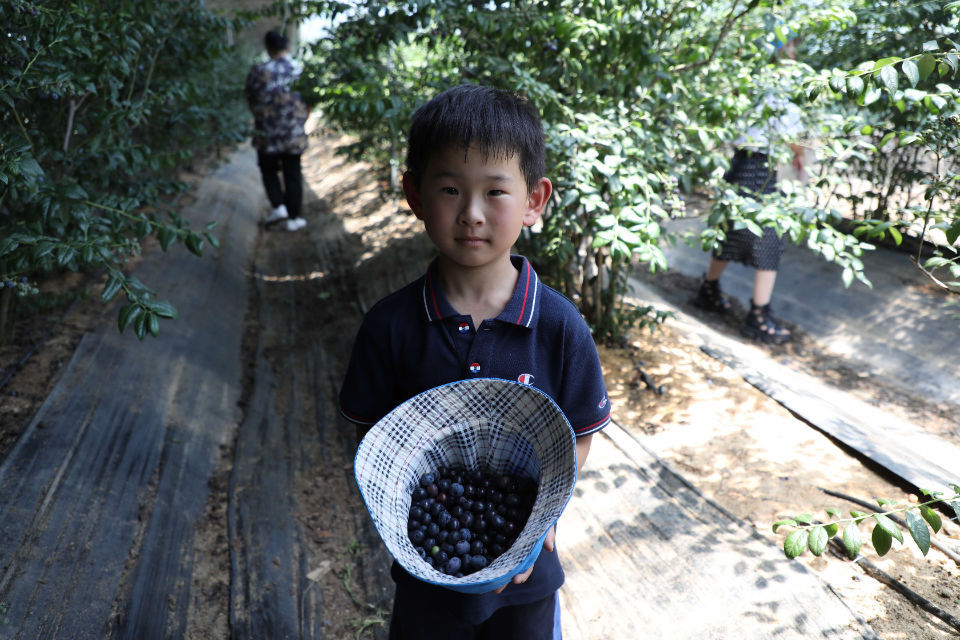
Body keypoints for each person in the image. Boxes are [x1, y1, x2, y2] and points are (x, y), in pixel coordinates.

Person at [338, 84, 611, 640]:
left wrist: (543, 519)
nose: (471, 214)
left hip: (526, 577)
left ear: (535, 200)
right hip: (427, 580)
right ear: (413, 194)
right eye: (448, 189)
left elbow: (578, 431)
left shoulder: (558, 326)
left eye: (495, 191)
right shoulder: (391, 327)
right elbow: (375, 436)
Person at [693, 36, 805, 344]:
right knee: (770, 237)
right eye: (791, 49)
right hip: (760, 170)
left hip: (739, 165)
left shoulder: (748, 88)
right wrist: (799, 153)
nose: (794, 54)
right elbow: (793, 137)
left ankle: (708, 290)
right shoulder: (780, 96)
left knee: (730, 232)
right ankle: (758, 315)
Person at [244, 30, 309, 232]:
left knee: (268, 169)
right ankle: (294, 218)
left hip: (267, 133)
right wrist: (300, 120)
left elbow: (249, 98)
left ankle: (278, 206)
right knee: (293, 173)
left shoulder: (258, 70)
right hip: (293, 133)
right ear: (287, 47)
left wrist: (260, 116)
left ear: (267, 48)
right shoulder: (298, 70)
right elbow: (309, 100)